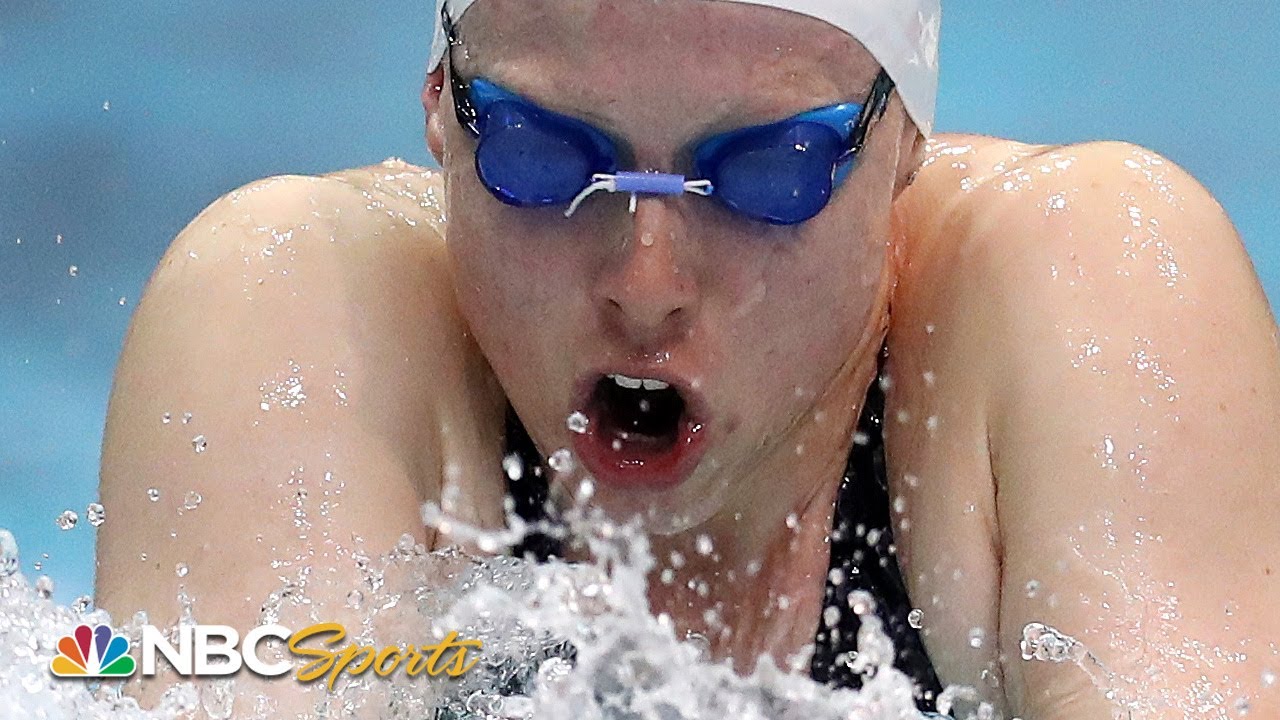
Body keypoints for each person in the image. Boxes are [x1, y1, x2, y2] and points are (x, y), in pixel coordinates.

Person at [97, 0, 1280, 717]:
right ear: (436, 111)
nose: (645, 283)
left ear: (903, 143)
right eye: (541, 153)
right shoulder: (306, 314)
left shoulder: (1087, 283)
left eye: (766, 172)